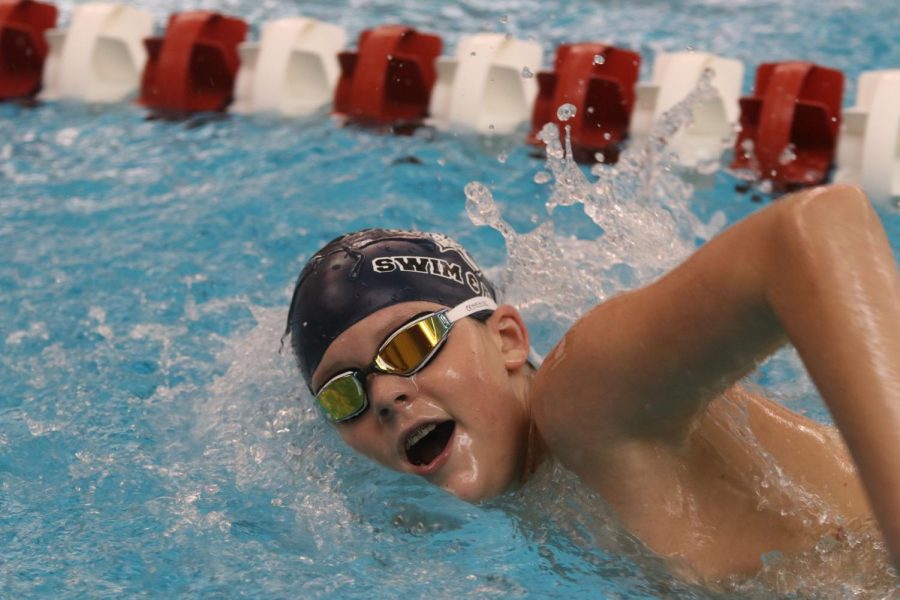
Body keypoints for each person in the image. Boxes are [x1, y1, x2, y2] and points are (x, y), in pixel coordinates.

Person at [284, 184, 900, 582]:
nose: (386, 396)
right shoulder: (532, 495)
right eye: (344, 393)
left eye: (412, 343)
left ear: (507, 339)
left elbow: (816, 227)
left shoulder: (583, 398)